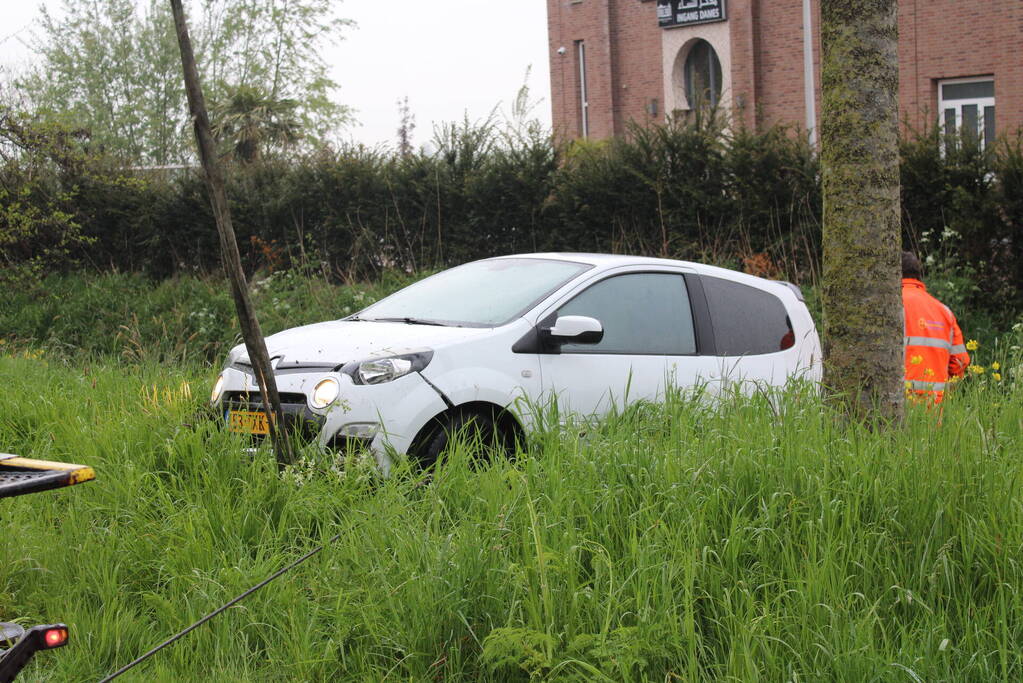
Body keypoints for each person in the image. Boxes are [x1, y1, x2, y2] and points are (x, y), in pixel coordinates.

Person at [902, 251, 970, 403]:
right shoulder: (944, 311)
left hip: (895, 407)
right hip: (933, 410)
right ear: (919, 276)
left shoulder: (889, 305)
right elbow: (960, 361)